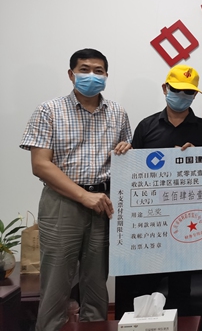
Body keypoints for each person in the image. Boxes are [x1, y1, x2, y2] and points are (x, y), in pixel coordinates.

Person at [20, 49, 132, 331]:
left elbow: (126, 157)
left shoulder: (118, 112)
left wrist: (127, 149)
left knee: (96, 286)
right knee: (56, 285)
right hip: (62, 203)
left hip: (103, 203)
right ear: (71, 74)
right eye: (84, 69)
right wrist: (84, 196)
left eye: (98, 71)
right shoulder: (49, 110)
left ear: (106, 75)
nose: (91, 76)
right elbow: (40, 165)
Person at [119, 64, 202, 313]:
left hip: (189, 217)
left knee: (182, 283)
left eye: (189, 92)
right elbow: (133, 173)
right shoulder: (146, 126)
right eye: (177, 90)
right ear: (165, 89)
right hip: (152, 217)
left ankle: (182, 323)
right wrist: (125, 154)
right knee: (147, 280)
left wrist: (198, 158)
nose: (182, 96)